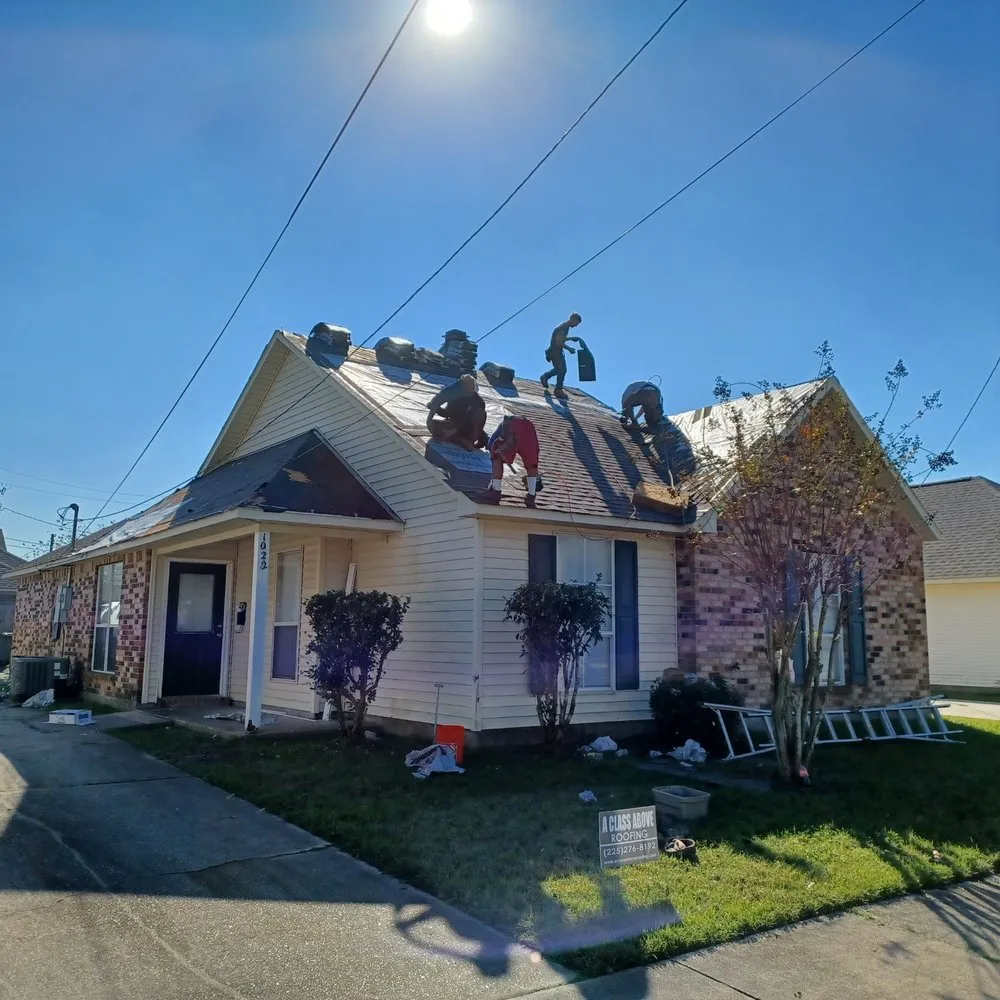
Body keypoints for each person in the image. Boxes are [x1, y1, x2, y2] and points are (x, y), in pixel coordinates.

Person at [486, 415, 542, 504]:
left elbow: (500, 446)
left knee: (496, 457)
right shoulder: (524, 424)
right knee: (532, 464)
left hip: (513, 424)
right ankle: (531, 496)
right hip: (529, 427)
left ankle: (495, 491)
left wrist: (499, 449)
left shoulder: (493, 438)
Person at [426, 374, 488, 450]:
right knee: (432, 425)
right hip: (454, 427)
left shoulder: (478, 401)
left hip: (468, 431)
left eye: (470, 385)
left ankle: (462, 440)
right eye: (467, 385)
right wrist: (436, 408)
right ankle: (461, 439)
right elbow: (447, 413)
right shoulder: (455, 397)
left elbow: (477, 422)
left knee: (480, 414)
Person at [540, 312, 582, 398]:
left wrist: (571, 338)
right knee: (563, 370)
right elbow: (558, 342)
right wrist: (569, 348)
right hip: (556, 352)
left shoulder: (564, 327)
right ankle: (558, 390)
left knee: (558, 369)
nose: (576, 326)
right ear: (573, 319)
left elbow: (560, 338)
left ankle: (545, 376)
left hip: (553, 351)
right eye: (576, 323)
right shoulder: (564, 327)